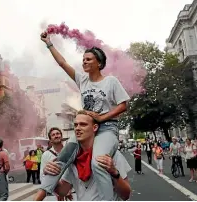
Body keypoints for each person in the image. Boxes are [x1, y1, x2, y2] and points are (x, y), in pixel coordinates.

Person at [37, 30, 130, 201]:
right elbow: (62, 63)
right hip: (87, 129)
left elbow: (123, 105)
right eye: (83, 60)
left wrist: (102, 118)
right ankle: (40, 195)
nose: (84, 62)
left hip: (107, 128)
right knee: (62, 158)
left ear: (99, 63)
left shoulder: (110, 81)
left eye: (88, 59)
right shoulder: (82, 80)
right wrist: (49, 43)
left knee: (98, 162)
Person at [35, 110, 132, 201]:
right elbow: (63, 191)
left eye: (83, 125)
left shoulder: (110, 155)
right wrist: (48, 173)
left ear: (95, 128)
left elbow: (126, 195)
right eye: (76, 125)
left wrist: (114, 172)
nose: (78, 128)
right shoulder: (73, 158)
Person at [40, 127, 73, 201]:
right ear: (50, 140)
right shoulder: (46, 155)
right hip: (54, 195)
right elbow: (42, 176)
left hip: (71, 192)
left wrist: (68, 189)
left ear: (61, 136)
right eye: (53, 135)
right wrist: (57, 191)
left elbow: (74, 172)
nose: (56, 136)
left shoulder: (70, 152)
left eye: (58, 133)